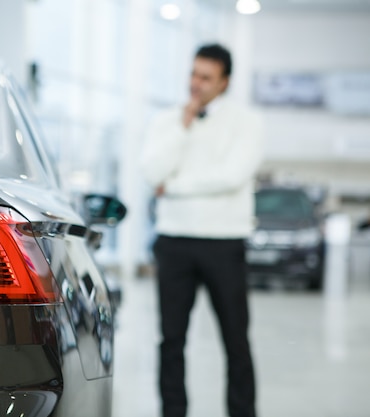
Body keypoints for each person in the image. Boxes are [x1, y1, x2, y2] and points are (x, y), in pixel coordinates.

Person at [140, 43, 264, 417]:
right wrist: (185, 123)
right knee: (171, 340)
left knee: (235, 340)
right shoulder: (166, 121)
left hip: (224, 243)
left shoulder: (248, 122)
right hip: (174, 242)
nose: (196, 83)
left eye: (206, 78)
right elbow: (151, 172)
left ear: (224, 82)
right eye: (193, 74)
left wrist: (174, 186)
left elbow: (232, 176)